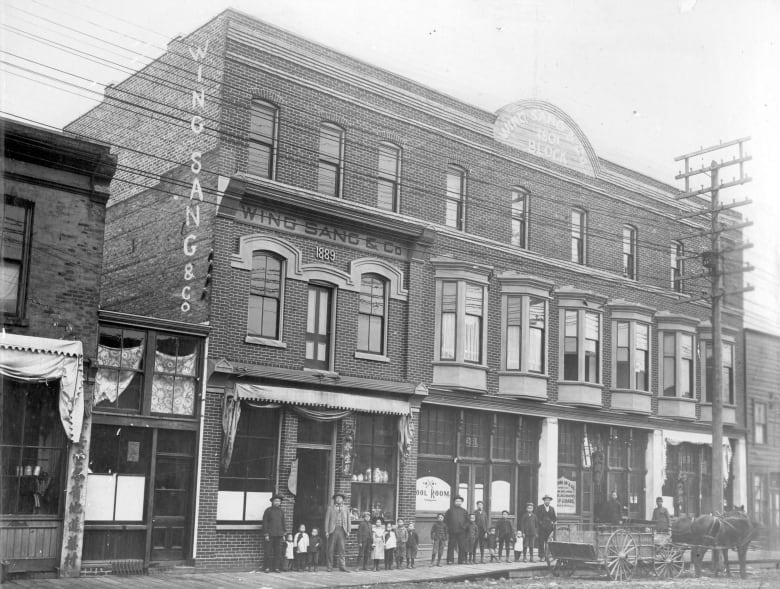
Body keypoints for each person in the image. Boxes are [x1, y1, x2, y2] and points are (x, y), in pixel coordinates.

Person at [324, 492, 352, 572]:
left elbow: (348, 520)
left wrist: (348, 530)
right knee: (330, 549)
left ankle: (342, 566)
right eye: (337, 498)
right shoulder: (330, 508)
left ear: (343, 500)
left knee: (342, 549)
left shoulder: (346, 508)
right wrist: (326, 531)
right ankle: (330, 566)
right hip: (333, 530)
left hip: (342, 530)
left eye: (340, 498)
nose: (338, 499)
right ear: (335, 500)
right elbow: (327, 520)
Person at [262, 494, 287, 573]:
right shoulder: (268, 510)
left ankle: (276, 567)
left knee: (277, 552)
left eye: (279, 501)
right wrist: (266, 534)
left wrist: (283, 534)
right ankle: (267, 567)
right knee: (268, 552)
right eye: (276, 501)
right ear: (272, 502)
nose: (277, 502)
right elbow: (265, 523)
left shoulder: (281, 511)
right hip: (270, 535)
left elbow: (283, 523)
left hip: (279, 535)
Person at [444, 495, 469, 564]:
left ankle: (462, 560)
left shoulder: (464, 511)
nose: (458, 502)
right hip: (452, 531)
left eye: (460, 501)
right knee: (451, 546)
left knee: (462, 546)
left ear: (461, 502)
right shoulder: (450, 511)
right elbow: (446, 521)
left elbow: (467, 521)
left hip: (461, 532)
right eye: (457, 501)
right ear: (454, 502)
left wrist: (464, 527)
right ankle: (450, 560)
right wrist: (449, 528)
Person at [536, 493, 557, 560]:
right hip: (542, 528)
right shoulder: (540, 507)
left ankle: (547, 556)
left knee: (548, 543)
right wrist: (541, 523)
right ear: (544, 501)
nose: (547, 501)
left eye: (548, 500)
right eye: (546, 500)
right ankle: (541, 556)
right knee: (541, 542)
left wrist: (552, 522)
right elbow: (537, 517)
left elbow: (554, 518)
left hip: (549, 528)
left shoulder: (552, 508)